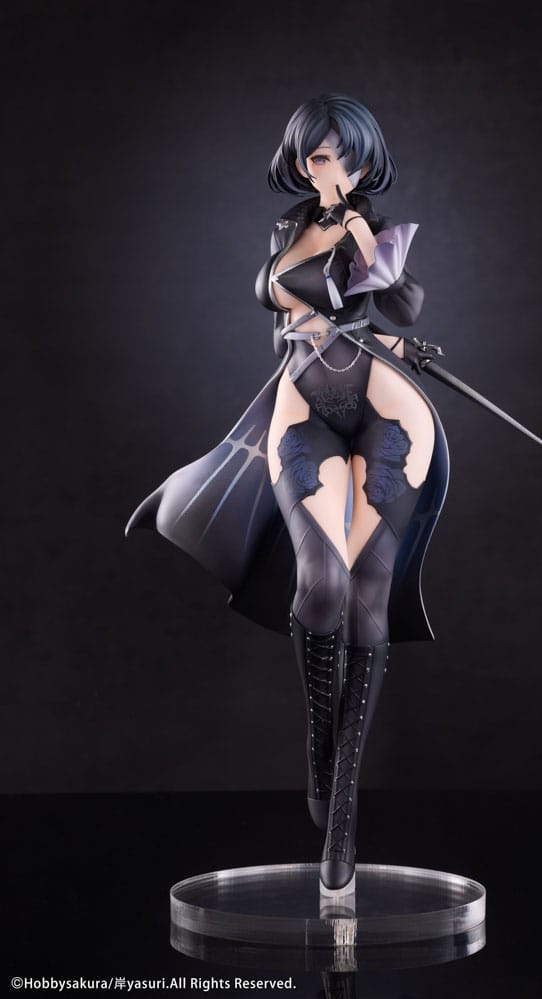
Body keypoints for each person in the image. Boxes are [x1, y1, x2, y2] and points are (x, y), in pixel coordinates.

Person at [126, 94, 449, 895]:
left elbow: (400, 302)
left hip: (386, 410)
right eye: (317, 154)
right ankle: (318, 744)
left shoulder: (378, 229)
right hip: (304, 408)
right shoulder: (287, 230)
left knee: (367, 591)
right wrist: (327, 247)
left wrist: (363, 239)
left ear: (366, 162)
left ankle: (342, 811)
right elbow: (276, 303)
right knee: (321, 583)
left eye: (344, 155)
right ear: (300, 159)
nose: (329, 167)